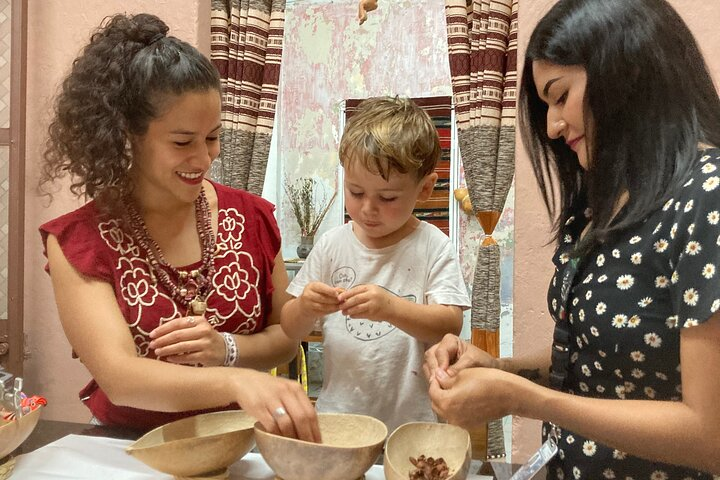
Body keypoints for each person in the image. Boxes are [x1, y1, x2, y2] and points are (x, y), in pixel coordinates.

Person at [424, 0, 720, 477]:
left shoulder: (708, 196)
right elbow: (598, 358)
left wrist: (526, 399)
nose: (552, 126)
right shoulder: (610, 201)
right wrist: (501, 370)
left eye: (560, 97)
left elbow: (710, 434)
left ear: (626, 73)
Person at [38, 12, 320, 442]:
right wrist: (237, 381)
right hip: (127, 451)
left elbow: (283, 335)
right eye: (182, 142)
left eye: (212, 137)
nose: (204, 159)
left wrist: (227, 351)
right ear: (127, 135)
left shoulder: (251, 217)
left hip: (240, 444)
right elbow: (121, 377)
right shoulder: (81, 240)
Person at [281, 96, 471, 433]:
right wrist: (306, 307)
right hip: (339, 422)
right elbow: (289, 329)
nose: (368, 208)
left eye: (387, 198)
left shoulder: (433, 246)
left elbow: (448, 324)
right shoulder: (331, 245)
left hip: (410, 427)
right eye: (355, 192)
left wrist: (389, 307)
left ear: (425, 188)